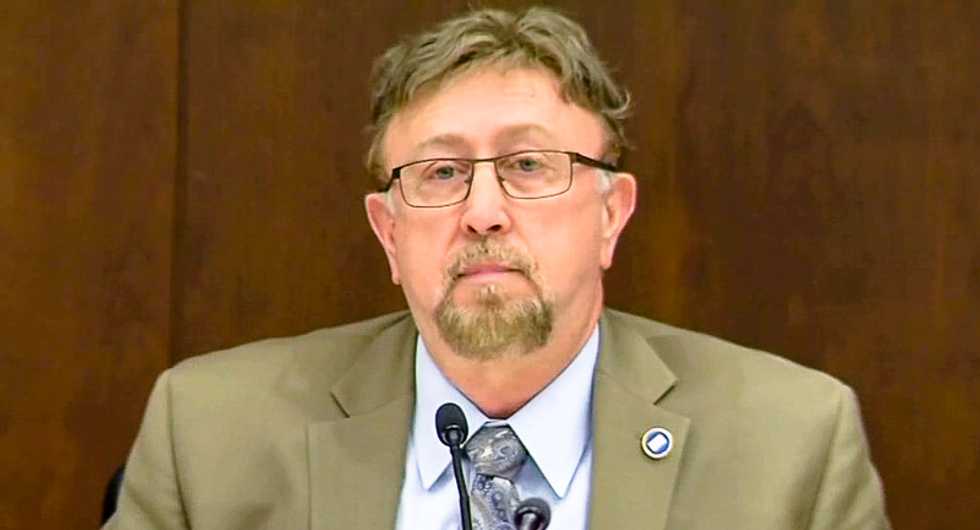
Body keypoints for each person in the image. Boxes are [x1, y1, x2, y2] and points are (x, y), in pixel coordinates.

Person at [104, 7, 890, 530]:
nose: (483, 211)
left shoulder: (791, 447)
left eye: (528, 165)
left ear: (611, 215)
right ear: (388, 232)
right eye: (441, 173)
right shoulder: (210, 436)